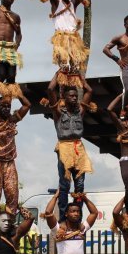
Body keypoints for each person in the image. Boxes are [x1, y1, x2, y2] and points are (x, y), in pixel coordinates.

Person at [0, 84, 31, 227]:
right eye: (4, 106)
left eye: (9, 106)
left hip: (9, 162)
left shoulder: (12, 120)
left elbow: (27, 105)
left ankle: (9, 225)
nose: (7, 109)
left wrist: (17, 92)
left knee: (13, 194)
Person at [46, 72, 94, 221]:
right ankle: (62, 218)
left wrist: (79, 77)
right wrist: (58, 73)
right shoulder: (58, 112)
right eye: (71, 96)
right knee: (64, 185)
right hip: (65, 148)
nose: (74, 98)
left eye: (76, 96)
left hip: (78, 148)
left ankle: (77, 215)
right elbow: (50, 89)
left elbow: (89, 91)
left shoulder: (80, 112)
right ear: (65, 98)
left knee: (80, 186)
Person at [42, 0, 91, 87]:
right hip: (61, 38)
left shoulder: (73, 3)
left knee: (74, 69)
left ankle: (71, 92)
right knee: (64, 67)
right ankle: (61, 93)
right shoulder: (55, 3)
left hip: (74, 38)